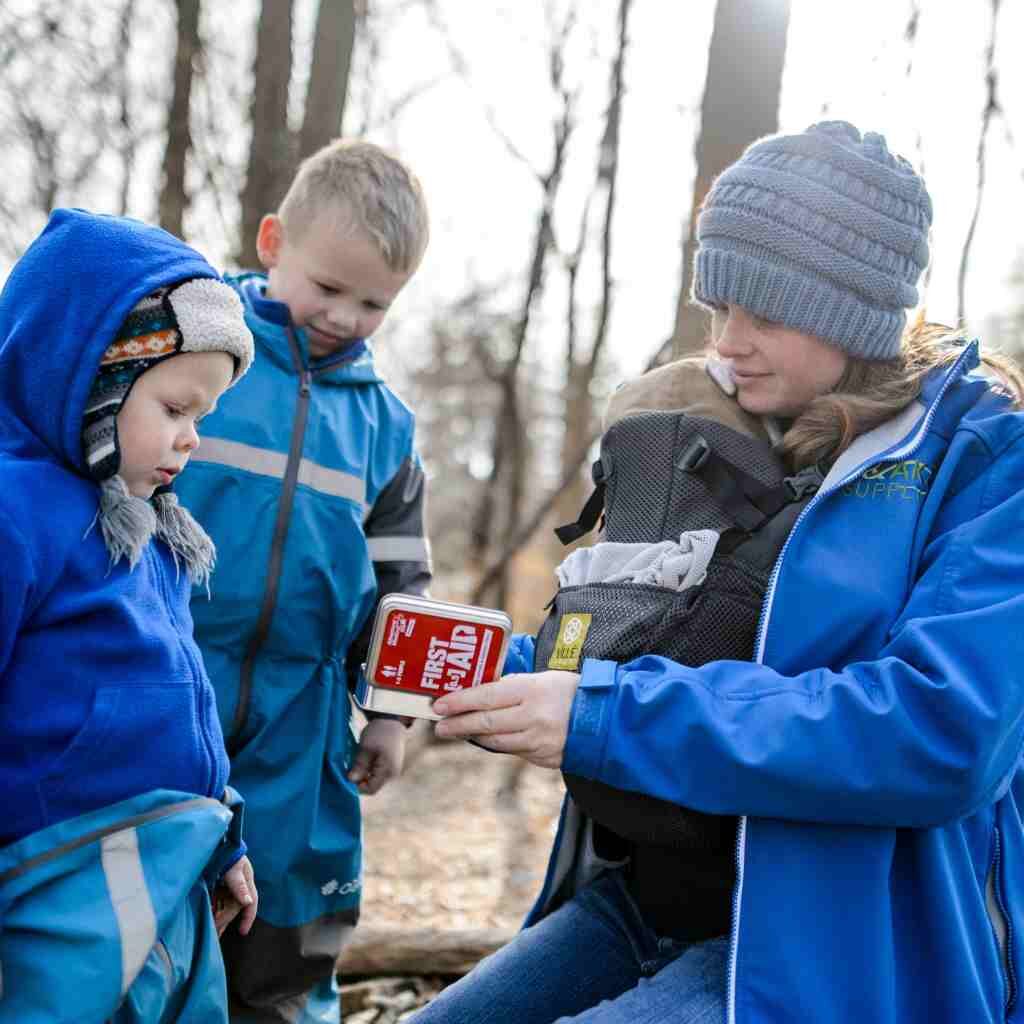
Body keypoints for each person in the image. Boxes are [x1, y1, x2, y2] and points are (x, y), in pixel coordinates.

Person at [416, 120, 1024, 1024]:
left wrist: (606, 717)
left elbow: (939, 734)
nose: (727, 344)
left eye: (764, 315)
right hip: (655, 899)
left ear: (852, 315)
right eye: (718, 309)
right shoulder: (724, 427)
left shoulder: (981, 460)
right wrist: (493, 673)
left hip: (839, 941)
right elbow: (649, 644)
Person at [174, 138, 432, 1022]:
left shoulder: (385, 431)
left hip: (305, 716)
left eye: (374, 303)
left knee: (290, 925)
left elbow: (404, 587)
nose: (346, 316)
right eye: (329, 287)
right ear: (274, 240)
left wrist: (394, 714)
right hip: (172, 688)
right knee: (157, 906)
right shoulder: (198, 365)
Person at [0, 208, 259, 1022]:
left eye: (201, 421)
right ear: (93, 379)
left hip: (168, 870)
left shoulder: (151, 528)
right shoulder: (19, 510)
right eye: (176, 409)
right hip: (53, 884)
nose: (189, 441)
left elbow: (187, 706)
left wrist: (228, 842)